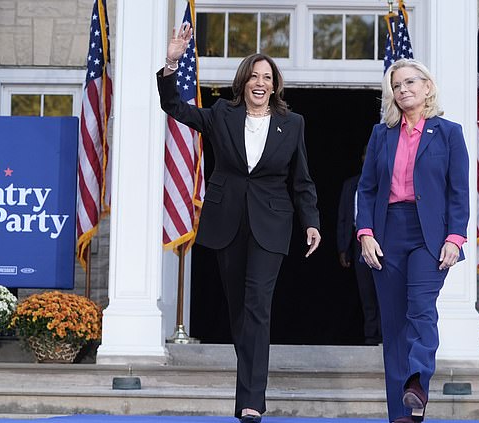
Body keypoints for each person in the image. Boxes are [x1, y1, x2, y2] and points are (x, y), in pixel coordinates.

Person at [157, 23, 321, 423]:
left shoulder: (292, 123)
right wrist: (172, 62)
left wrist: (311, 221)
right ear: (243, 81)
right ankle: (248, 386)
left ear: (274, 85)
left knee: (258, 308)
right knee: (238, 312)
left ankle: (252, 401)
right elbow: (174, 107)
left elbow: (301, 179)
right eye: (255, 76)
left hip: (272, 223)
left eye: (268, 77)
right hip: (227, 219)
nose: (261, 83)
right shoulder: (221, 115)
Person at [355, 59, 469, 423]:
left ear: (427, 87)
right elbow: (368, 187)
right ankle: (401, 416)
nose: (403, 90)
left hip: (429, 235)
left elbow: (459, 192)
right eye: (397, 85)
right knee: (394, 326)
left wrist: (455, 237)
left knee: (420, 309)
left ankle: (418, 380)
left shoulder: (448, 133)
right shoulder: (381, 134)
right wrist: (365, 233)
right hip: (387, 232)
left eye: (409, 83)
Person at [337, 147, 381, 346]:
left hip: (382, 243)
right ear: (362, 158)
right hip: (357, 242)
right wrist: (342, 248)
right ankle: (371, 337)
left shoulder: (384, 183)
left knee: (384, 291)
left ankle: (385, 335)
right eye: (365, 155)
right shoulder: (351, 184)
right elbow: (343, 218)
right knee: (366, 292)